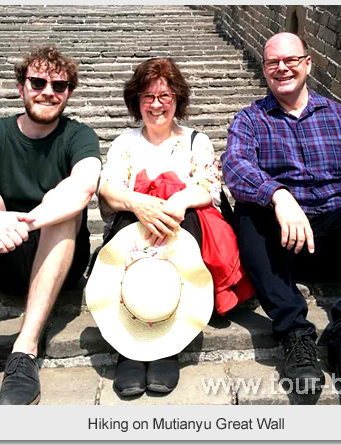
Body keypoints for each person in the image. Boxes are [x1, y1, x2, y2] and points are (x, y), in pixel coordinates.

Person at [221, 32, 341, 402]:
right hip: (279, 248)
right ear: (265, 68)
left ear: (307, 63)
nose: (282, 68)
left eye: (290, 60)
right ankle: (294, 334)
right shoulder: (251, 119)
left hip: (332, 240)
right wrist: (278, 195)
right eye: (273, 62)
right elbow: (235, 167)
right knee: (249, 209)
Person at [0, 46, 101, 405]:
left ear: (69, 94)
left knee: (64, 205)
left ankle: (24, 351)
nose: (48, 91)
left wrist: (11, 232)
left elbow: (83, 188)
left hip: (58, 256)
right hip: (2, 263)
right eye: (38, 81)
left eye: (59, 85)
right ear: (21, 87)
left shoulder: (79, 136)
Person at [97, 57, 253, 397]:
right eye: (148, 97)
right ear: (136, 101)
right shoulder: (126, 142)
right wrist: (140, 203)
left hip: (184, 232)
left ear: (177, 99)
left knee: (189, 212)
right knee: (129, 210)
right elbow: (108, 187)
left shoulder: (196, 140)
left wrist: (174, 204)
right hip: (134, 231)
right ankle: (130, 347)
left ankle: (167, 342)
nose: (156, 105)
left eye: (164, 96)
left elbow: (209, 187)